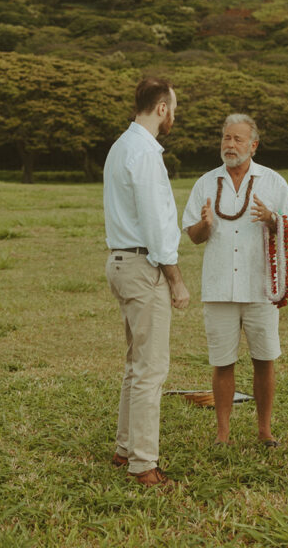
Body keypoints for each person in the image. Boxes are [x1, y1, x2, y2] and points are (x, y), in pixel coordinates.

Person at [182, 113, 288, 446]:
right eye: (225, 138)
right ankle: (223, 433)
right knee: (222, 361)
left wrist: (271, 218)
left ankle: (264, 430)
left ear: (253, 145)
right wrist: (205, 224)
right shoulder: (205, 182)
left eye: (237, 139)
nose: (229, 145)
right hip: (219, 286)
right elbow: (193, 235)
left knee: (264, 358)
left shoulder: (273, 181)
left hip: (260, 286)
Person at [103, 77, 190, 488]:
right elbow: (156, 225)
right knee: (151, 367)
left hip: (120, 262)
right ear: (161, 109)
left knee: (136, 364)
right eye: (174, 107)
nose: (175, 115)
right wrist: (175, 279)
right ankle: (143, 464)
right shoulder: (146, 153)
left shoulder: (121, 146)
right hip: (142, 266)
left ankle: (125, 449)